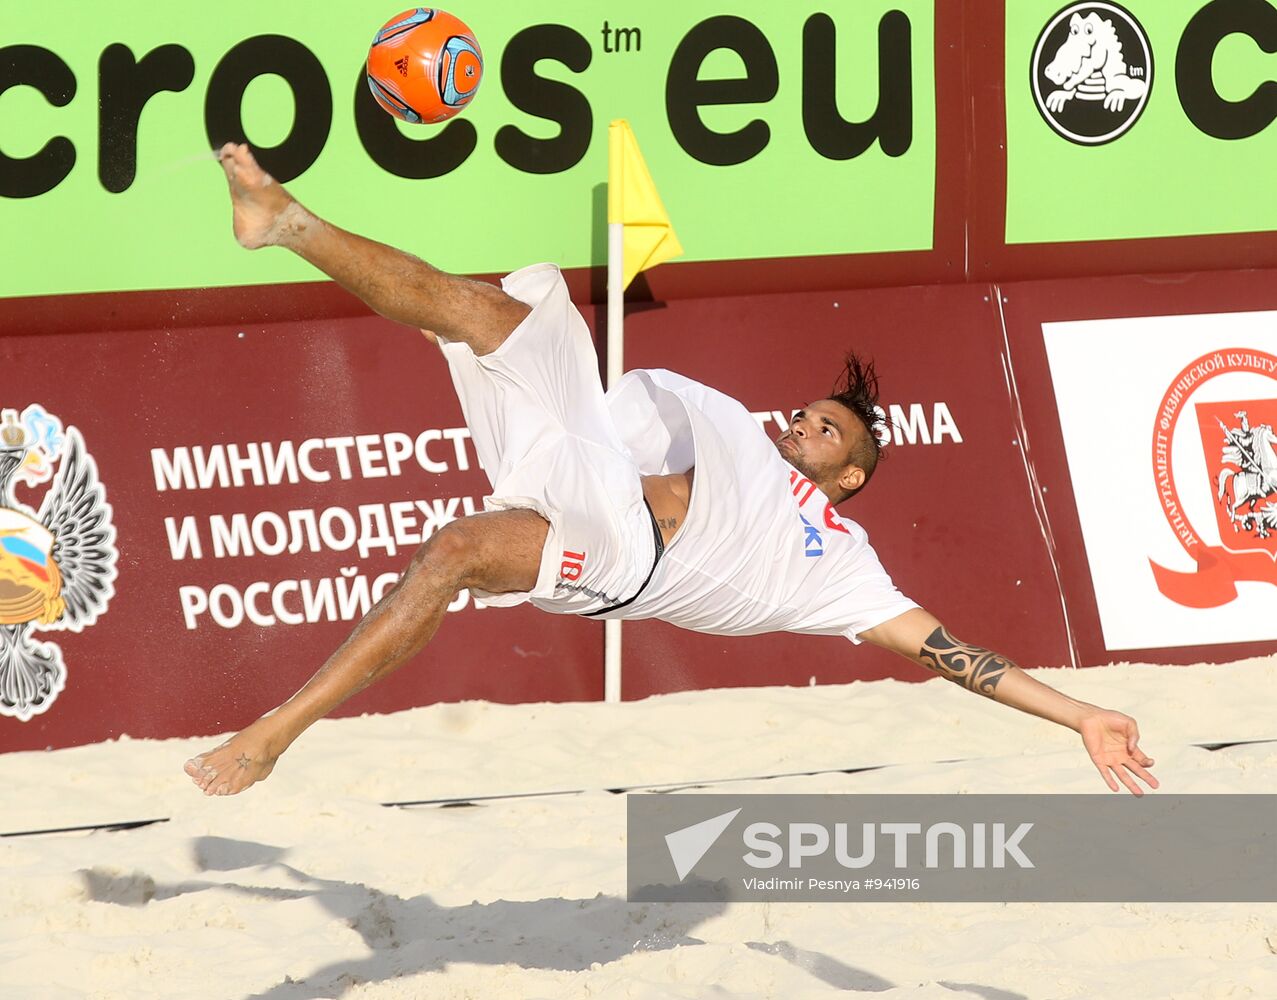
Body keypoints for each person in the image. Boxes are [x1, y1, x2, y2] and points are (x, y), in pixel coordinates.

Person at [185, 143, 1158, 799]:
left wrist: (1077, 714)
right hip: (595, 463)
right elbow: (632, 427)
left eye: (825, 432)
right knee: (481, 311)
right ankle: (285, 222)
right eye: (809, 411)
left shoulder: (838, 560)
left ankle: (274, 732)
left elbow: (953, 655)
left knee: (453, 551)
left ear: (850, 478)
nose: (802, 424)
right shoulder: (715, 432)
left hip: (620, 557)